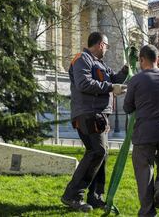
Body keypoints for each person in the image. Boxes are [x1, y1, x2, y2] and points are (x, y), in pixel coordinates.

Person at [61, 32, 128, 212]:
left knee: (102, 153)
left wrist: (125, 71)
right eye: (106, 45)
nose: (107, 49)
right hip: (88, 113)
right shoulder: (82, 59)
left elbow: (114, 80)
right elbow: (84, 83)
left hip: (99, 114)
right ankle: (72, 195)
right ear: (100, 44)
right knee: (96, 151)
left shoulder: (100, 64)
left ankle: (96, 196)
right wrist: (110, 87)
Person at [123, 44, 159, 217]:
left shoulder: (136, 80)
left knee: (144, 170)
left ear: (141, 60)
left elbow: (127, 108)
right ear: (158, 59)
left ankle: (147, 212)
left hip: (144, 132)